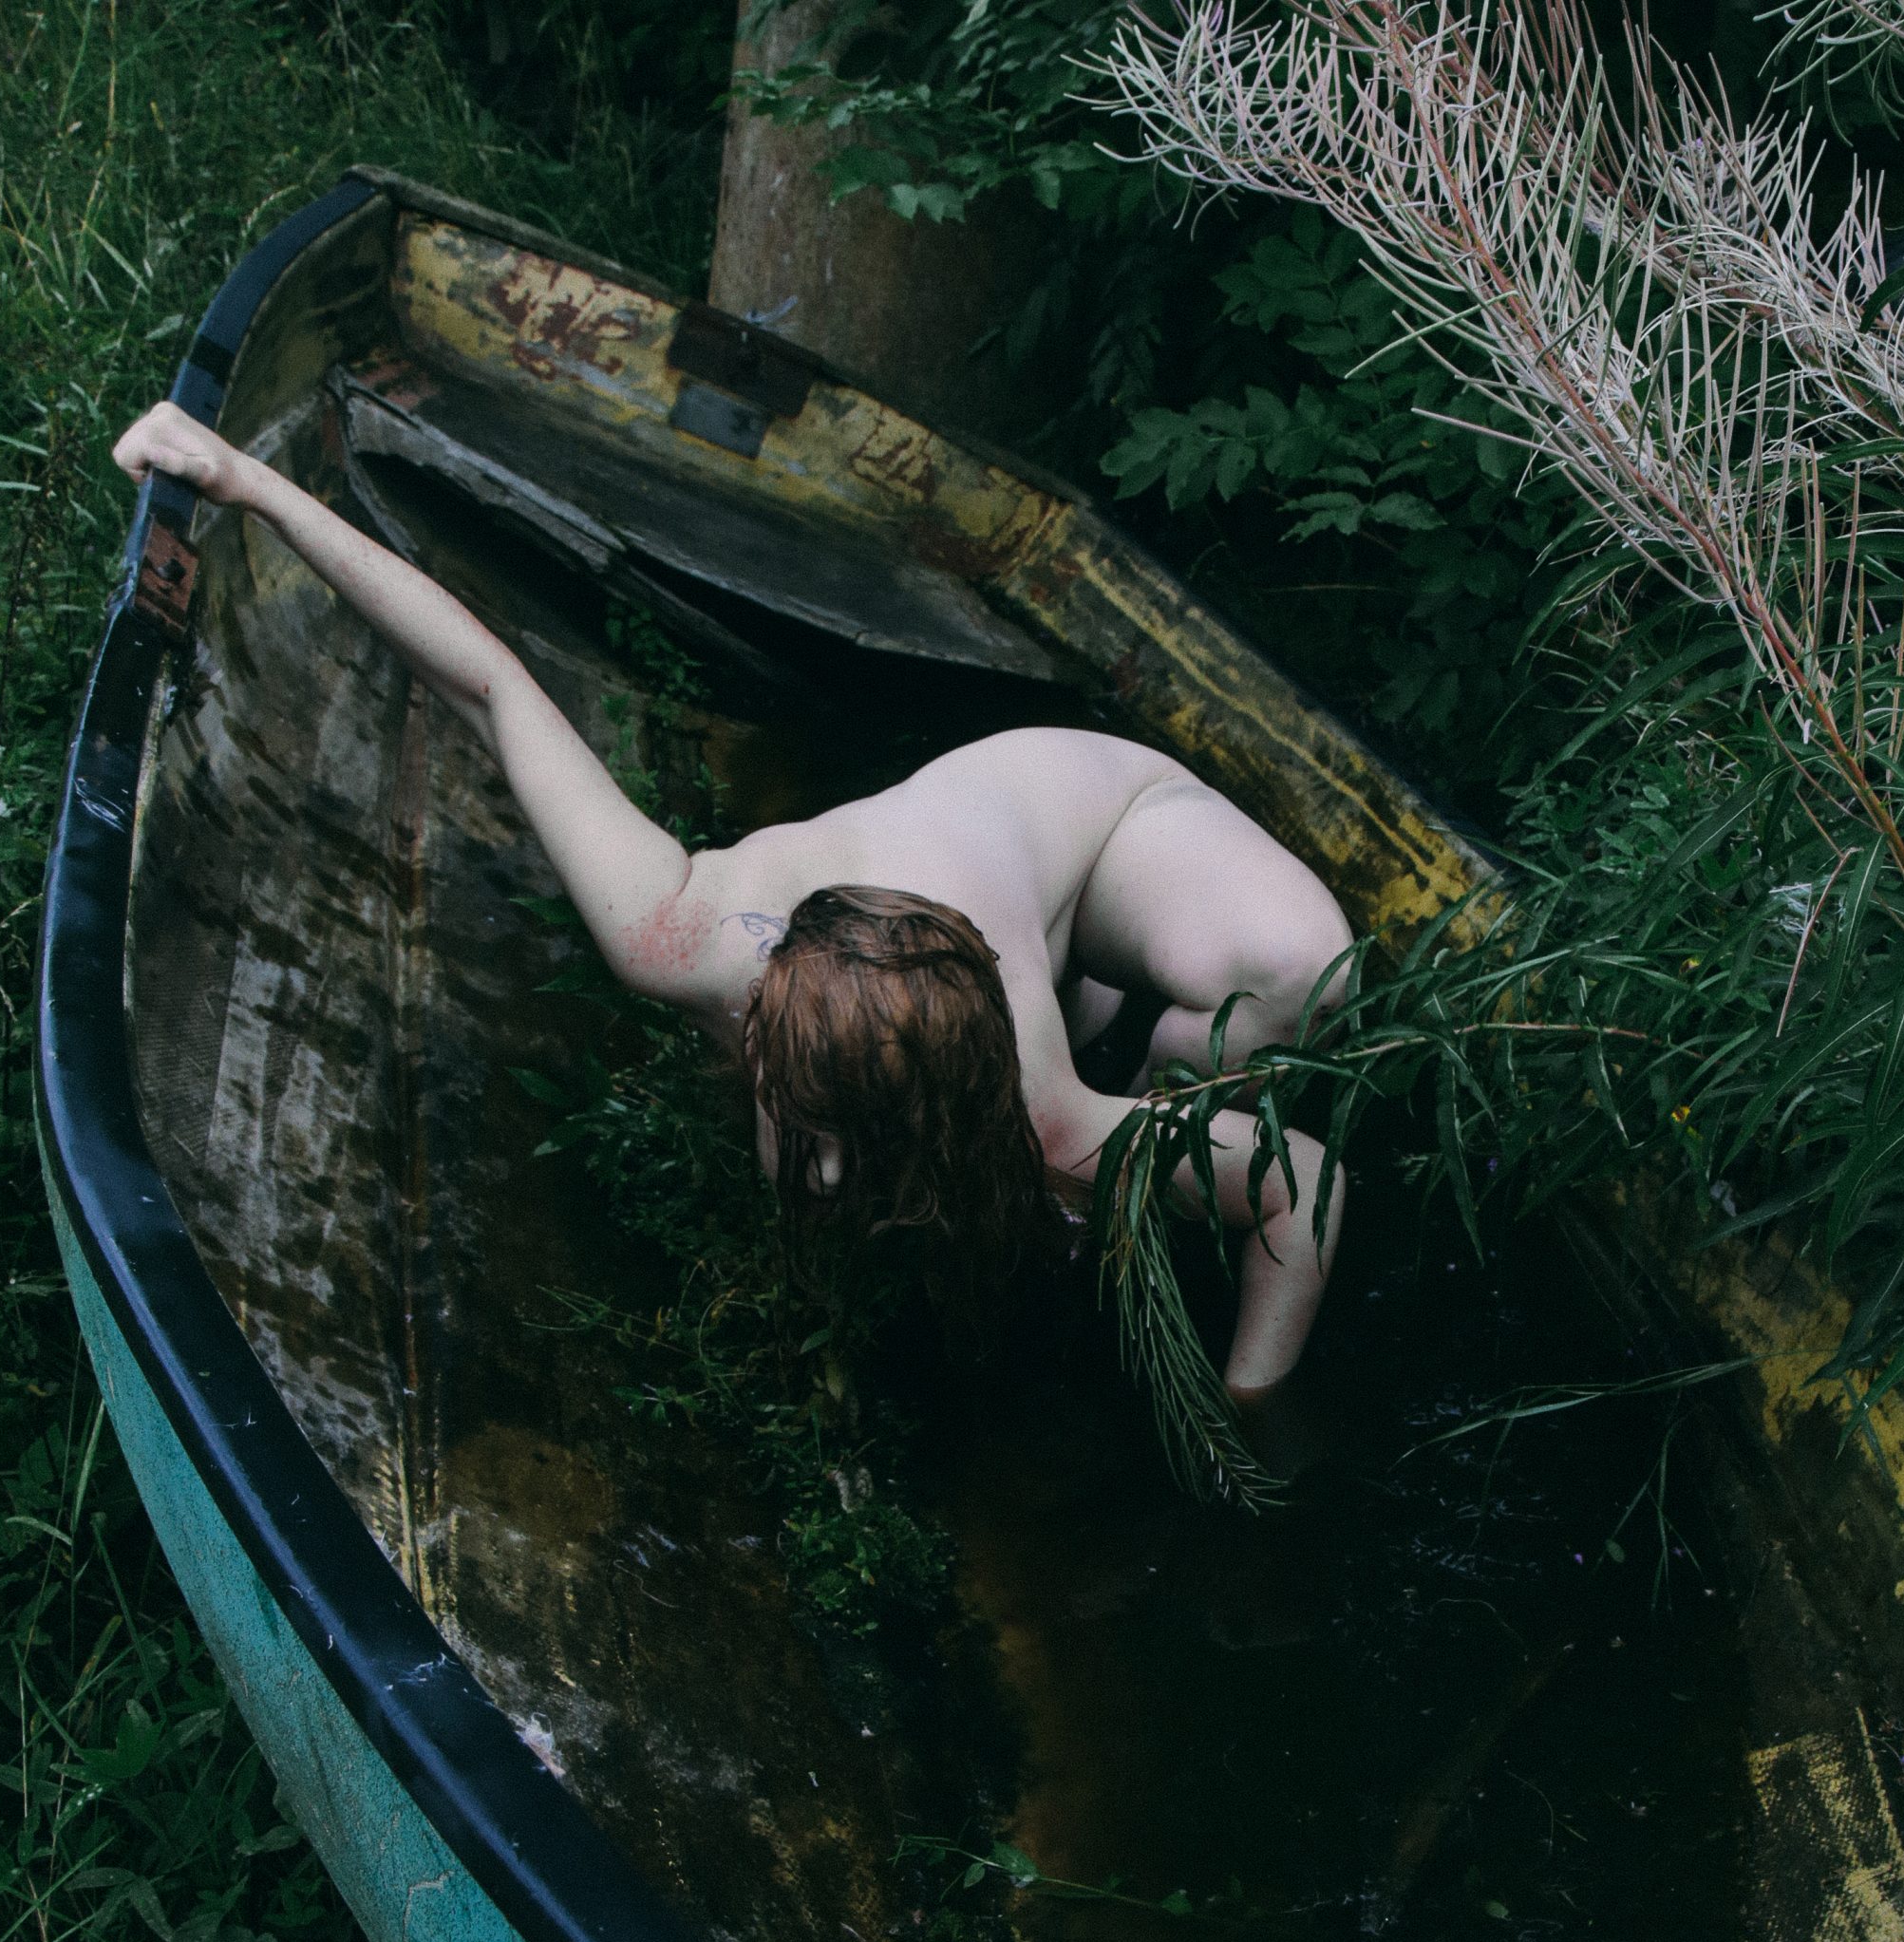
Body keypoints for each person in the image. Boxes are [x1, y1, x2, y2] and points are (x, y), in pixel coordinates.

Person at [111, 401, 1351, 1405]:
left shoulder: (1036, 1110)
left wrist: (1247, 1412)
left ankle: (1162, 1072)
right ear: (754, 1032)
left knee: (1311, 976)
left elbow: (1309, 1188)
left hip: (1103, 821)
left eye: (861, 1147)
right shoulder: (673, 932)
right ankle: (1093, 1031)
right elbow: (488, 684)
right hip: (996, 849)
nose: (824, 1179)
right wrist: (248, 484)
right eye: (808, 1129)